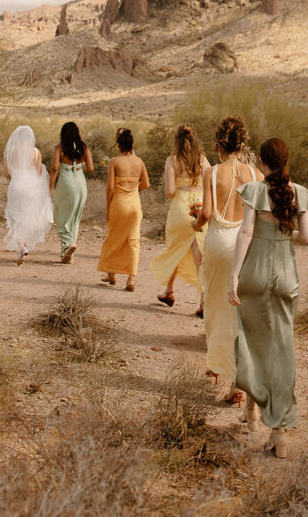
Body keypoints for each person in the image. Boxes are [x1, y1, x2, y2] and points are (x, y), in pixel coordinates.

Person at [228, 137, 308, 458]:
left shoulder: (254, 191)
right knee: (280, 349)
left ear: (261, 163)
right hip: (286, 277)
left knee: (251, 342)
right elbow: (305, 237)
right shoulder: (300, 193)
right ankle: (278, 432)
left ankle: (251, 411)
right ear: (286, 160)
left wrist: (234, 275)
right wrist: (282, 233)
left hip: (255, 272)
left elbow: (246, 232)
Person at [192, 115, 260, 404]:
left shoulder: (212, 173)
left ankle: (219, 367)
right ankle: (240, 382)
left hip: (219, 245)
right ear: (243, 143)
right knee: (243, 315)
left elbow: (206, 214)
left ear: (219, 143)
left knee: (218, 312)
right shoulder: (257, 175)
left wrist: (194, 226)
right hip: (248, 246)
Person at [149, 123, 209, 310]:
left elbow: (169, 191)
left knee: (175, 248)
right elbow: (211, 182)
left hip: (181, 207)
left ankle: (169, 291)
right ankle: (203, 302)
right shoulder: (202, 160)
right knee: (200, 254)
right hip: (199, 206)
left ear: (177, 141)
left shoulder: (172, 161)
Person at [97, 128, 149, 291]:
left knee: (113, 237)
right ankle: (131, 280)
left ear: (119, 145)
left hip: (119, 203)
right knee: (133, 241)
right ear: (132, 145)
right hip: (135, 205)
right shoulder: (139, 162)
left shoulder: (114, 162)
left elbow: (110, 187)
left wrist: (108, 206)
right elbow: (146, 185)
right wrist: (133, 186)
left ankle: (111, 275)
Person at [3, 125, 53, 265]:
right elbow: (38, 173)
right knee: (27, 216)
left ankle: (21, 246)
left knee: (14, 217)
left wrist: (16, 174)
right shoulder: (36, 152)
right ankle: (23, 245)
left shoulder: (11, 152)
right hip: (31, 186)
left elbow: (7, 172)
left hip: (16, 185)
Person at [49, 121, 94, 263]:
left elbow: (55, 168)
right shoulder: (84, 148)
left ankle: (66, 246)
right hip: (80, 183)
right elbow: (91, 169)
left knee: (62, 216)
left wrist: (49, 187)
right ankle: (70, 250)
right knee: (75, 216)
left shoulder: (59, 148)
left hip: (66, 183)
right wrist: (81, 164)